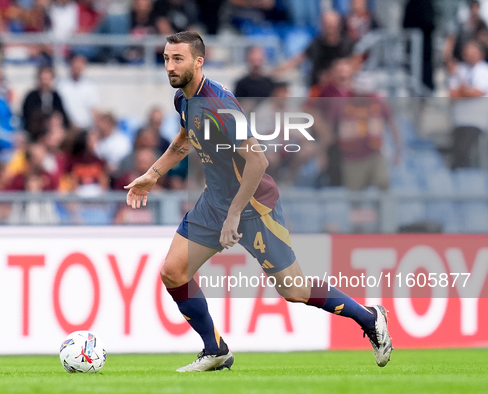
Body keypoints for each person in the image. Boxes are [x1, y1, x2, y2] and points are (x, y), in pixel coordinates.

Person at [124, 31, 393, 372]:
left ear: (198, 61)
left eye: (178, 59)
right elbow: (184, 139)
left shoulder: (220, 103)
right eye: (166, 58)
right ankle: (215, 349)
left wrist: (235, 215)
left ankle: (370, 318)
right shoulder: (183, 99)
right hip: (214, 202)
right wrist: (153, 173)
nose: (170, 66)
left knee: (294, 289)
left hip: (253, 206)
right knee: (173, 272)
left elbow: (258, 161)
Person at [275, 10, 355, 88]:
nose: (330, 27)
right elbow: (297, 60)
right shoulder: (315, 44)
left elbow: (354, 64)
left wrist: (332, 75)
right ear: (322, 25)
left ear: (338, 24)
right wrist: (276, 70)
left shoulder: (347, 44)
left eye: (332, 24)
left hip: (341, 86)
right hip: (319, 87)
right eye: (327, 24)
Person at [449, 40, 488, 168]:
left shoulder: (484, 70)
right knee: (457, 150)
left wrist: (463, 90)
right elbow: (453, 94)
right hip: (459, 119)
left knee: (463, 151)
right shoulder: (460, 70)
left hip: (477, 119)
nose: (469, 55)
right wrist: (465, 91)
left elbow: (477, 92)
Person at [57, 54, 99, 130]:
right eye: (75, 66)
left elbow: (93, 108)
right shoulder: (61, 84)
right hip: (67, 126)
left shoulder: (90, 85)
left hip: (86, 126)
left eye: (80, 67)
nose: (77, 69)